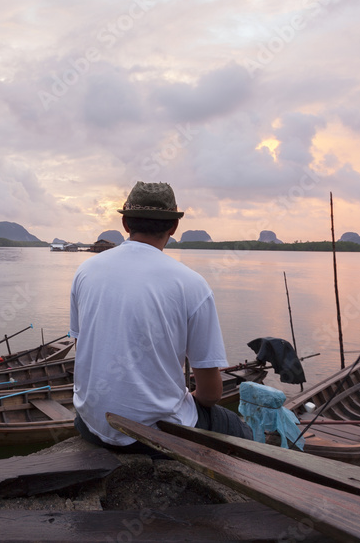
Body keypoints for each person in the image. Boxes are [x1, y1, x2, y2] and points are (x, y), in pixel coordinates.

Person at [69, 181, 252, 453]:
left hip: (91, 425)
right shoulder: (192, 284)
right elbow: (211, 395)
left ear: (125, 223)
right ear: (174, 227)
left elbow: (82, 348)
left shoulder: (85, 272)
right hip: (154, 436)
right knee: (239, 430)